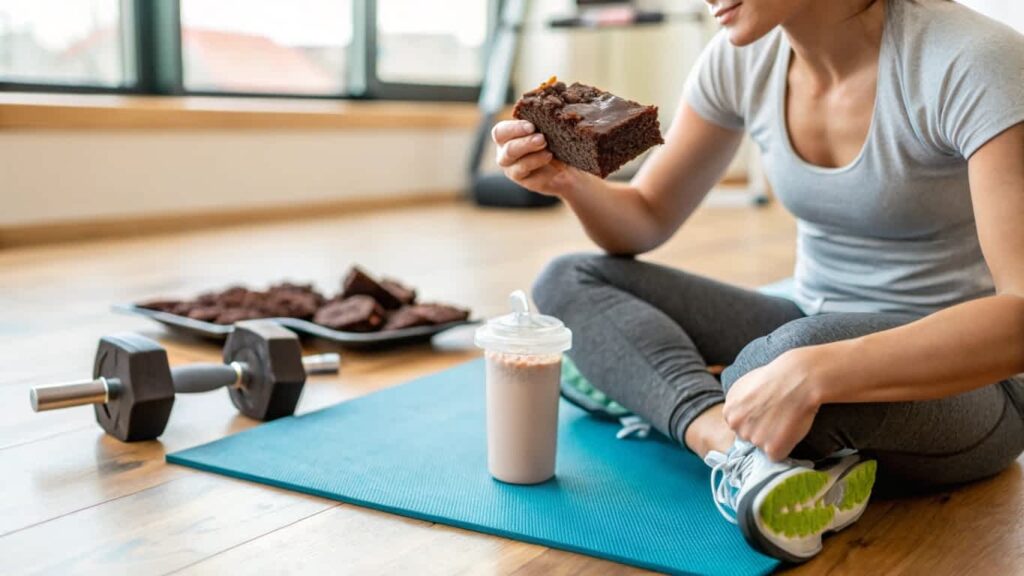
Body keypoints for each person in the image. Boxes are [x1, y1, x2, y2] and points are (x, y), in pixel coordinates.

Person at [490, 0, 1024, 563]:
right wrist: (568, 182)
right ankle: (726, 443)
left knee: (770, 361)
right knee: (568, 278)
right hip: (805, 320)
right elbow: (645, 217)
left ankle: (661, 391)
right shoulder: (743, 57)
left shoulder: (973, 60)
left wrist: (813, 369)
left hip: (972, 387)